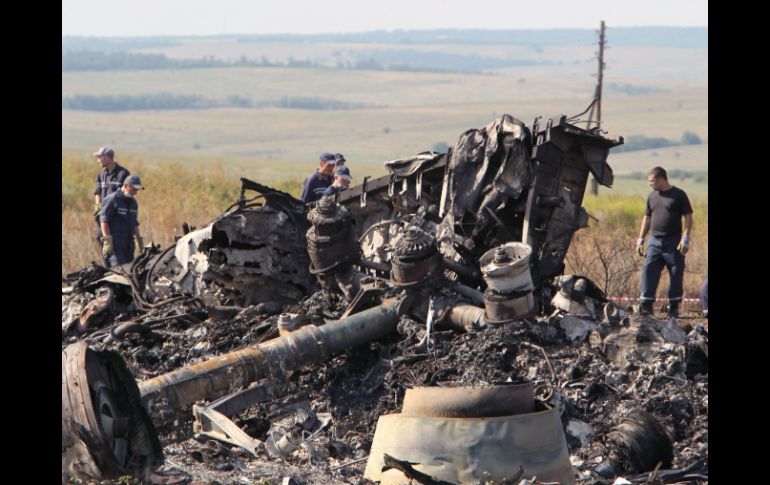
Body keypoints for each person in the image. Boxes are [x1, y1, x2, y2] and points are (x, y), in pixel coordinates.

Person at [635, 167, 693, 317]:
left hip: (673, 241)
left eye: (652, 181)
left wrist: (685, 238)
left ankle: (673, 307)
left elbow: (688, 216)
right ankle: (646, 306)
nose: (650, 184)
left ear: (661, 179)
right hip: (654, 241)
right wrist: (640, 239)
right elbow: (647, 218)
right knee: (648, 270)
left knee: (675, 272)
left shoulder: (678, 195)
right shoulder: (652, 196)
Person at [92, 146, 130, 259]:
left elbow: (128, 195)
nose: (98, 160)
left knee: (117, 248)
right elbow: (97, 192)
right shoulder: (102, 175)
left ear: (107, 157)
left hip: (117, 218)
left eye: (100, 157)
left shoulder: (123, 174)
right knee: (103, 241)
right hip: (103, 218)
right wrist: (98, 205)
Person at [100, 175, 145, 268]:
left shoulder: (133, 203)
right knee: (119, 271)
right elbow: (104, 220)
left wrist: (139, 240)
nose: (135, 193)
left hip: (129, 245)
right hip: (116, 245)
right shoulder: (112, 199)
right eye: (134, 189)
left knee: (130, 270)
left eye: (137, 190)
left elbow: (135, 223)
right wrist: (107, 240)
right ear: (125, 185)